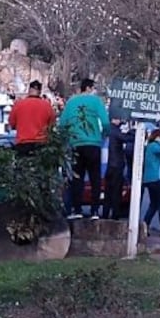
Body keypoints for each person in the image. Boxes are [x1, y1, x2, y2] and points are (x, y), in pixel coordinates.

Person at [58, 78, 110, 220]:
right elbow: (105, 122)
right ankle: (94, 211)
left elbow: (62, 124)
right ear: (88, 88)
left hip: (76, 145)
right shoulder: (96, 101)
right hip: (93, 144)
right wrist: (104, 136)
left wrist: (67, 140)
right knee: (95, 178)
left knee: (77, 178)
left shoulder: (71, 103)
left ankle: (77, 209)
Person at [8, 80, 56, 157]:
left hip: (23, 144)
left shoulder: (18, 105)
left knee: (23, 167)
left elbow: (12, 124)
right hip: (41, 144)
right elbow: (52, 125)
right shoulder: (47, 106)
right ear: (40, 91)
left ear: (29, 90)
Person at [102, 118, 134, 220]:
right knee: (116, 191)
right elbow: (127, 138)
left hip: (110, 165)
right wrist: (133, 132)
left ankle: (105, 213)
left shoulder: (109, 131)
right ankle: (115, 214)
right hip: (116, 165)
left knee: (108, 191)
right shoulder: (115, 131)